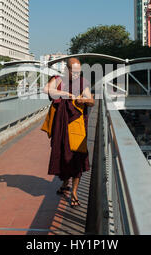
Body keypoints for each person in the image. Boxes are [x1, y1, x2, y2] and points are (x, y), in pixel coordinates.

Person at [42, 58, 95, 207]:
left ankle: (75, 192)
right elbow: (47, 90)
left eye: (79, 72)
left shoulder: (83, 82)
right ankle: (65, 184)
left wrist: (84, 101)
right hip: (60, 126)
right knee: (63, 156)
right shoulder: (58, 80)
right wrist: (65, 93)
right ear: (67, 69)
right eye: (74, 71)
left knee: (77, 156)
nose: (77, 74)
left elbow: (92, 100)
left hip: (77, 125)